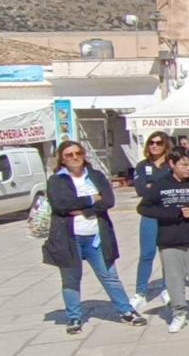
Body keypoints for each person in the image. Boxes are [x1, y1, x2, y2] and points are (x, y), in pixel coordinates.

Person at [43, 141, 140, 334]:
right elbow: (61, 205)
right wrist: (90, 199)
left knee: (110, 276)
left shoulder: (95, 176)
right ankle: (74, 318)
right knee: (71, 279)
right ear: (62, 159)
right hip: (70, 237)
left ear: (84, 154)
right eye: (69, 155)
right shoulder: (57, 180)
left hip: (96, 235)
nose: (75, 157)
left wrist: (79, 208)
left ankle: (126, 310)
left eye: (78, 153)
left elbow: (108, 201)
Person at [137, 147, 189, 333]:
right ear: (172, 164)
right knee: (173, 280)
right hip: (169, 240)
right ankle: (179, 313)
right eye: (184, 164)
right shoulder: (161, 184)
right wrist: (171, 213)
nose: (188, 168)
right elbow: (144, 208)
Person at [131, 130, 173, 311]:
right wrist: (158, 186)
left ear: (165, 146)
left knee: (167, 254)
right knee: (146, 254)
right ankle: (140, 292)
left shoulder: (171, 164)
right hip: (149, 214)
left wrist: (153, 185)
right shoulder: (142, 165)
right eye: (151, 143)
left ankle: (167, 288)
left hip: (167, 213)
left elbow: (172, 185)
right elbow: (141, 189)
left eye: (158, 143)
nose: (154, 146)